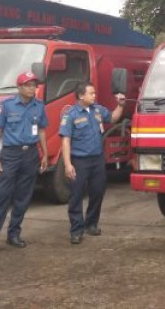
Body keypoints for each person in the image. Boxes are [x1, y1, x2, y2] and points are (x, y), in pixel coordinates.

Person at [0, 71, 48, 255]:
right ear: (20, 87)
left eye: (34, 85)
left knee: (23, 197)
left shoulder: (39, 106)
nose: (32, 89)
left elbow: (42, 131)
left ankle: (13, 234)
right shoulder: (6, 105)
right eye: (29, 85)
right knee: (1, 196)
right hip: (10, 155)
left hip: (30, 154)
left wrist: (45, 154)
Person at [59, 82, 125, 244]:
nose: (94, 96)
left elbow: (113, 117)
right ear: (81, 96)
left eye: (94, 93)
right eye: (91, 93)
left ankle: (91, 224)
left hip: (97, 160)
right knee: (76, 196)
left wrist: (121, 105)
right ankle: (76, 230)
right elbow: (65, 141)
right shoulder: (71, 115)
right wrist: (68, 164)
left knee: (97, 192)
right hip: (79, 161)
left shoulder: (97, 109)